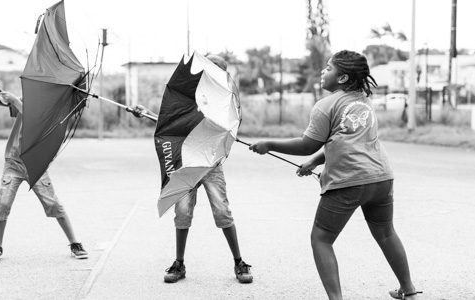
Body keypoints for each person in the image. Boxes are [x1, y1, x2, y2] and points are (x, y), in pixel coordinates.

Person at [250, 50, 420, 299]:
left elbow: (307, 143)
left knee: (321, 239)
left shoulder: (325, 106)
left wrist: (269, 144)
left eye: (328, 68)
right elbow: (346, 139)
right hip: (381, 178)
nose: (322, 71)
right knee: (385, 233)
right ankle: (410, 291)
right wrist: (315, 161)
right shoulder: (362, 100)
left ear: (341, 78)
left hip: (349, 182)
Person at [0, 66, 87, 263]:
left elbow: (36, 121)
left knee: (53, 204)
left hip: (35, 163)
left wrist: (16, 101)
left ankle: (75, 243)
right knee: (3, 203)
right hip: (13, 162)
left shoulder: (55, 110)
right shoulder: (26, 101)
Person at [162, 55, 253, 284]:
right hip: (187, 164)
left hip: (211, 165)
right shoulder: (191, 92)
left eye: (215, 70)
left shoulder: (227, 100)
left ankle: (239, 262)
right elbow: (172, 118)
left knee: (222, 211)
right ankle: (179, 264)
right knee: (182, 212)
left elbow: (229, 127)